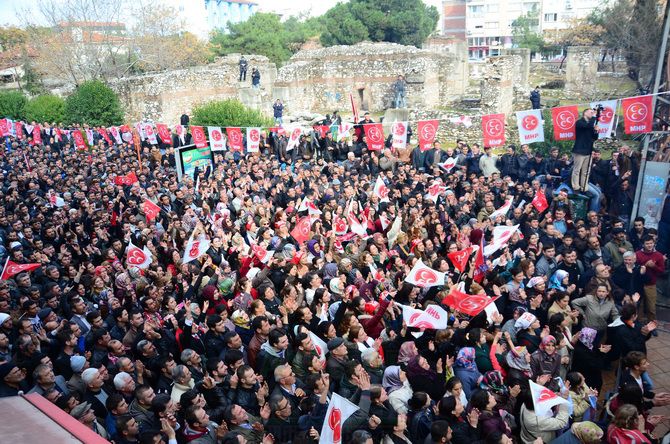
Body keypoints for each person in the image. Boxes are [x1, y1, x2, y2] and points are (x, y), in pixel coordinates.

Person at [572, 108, 599, 192]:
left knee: (586, 171)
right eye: (591, 112)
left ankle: (584, 187)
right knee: (577, 170)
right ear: (585, 113)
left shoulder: (590, 125)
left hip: (588, 150)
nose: (592, 113)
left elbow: (594, 137)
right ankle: (575, 186)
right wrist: (594, 117)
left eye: (593, 113)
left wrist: (596, 131)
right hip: (580, 150)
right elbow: (587, 126)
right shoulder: (580, 122)